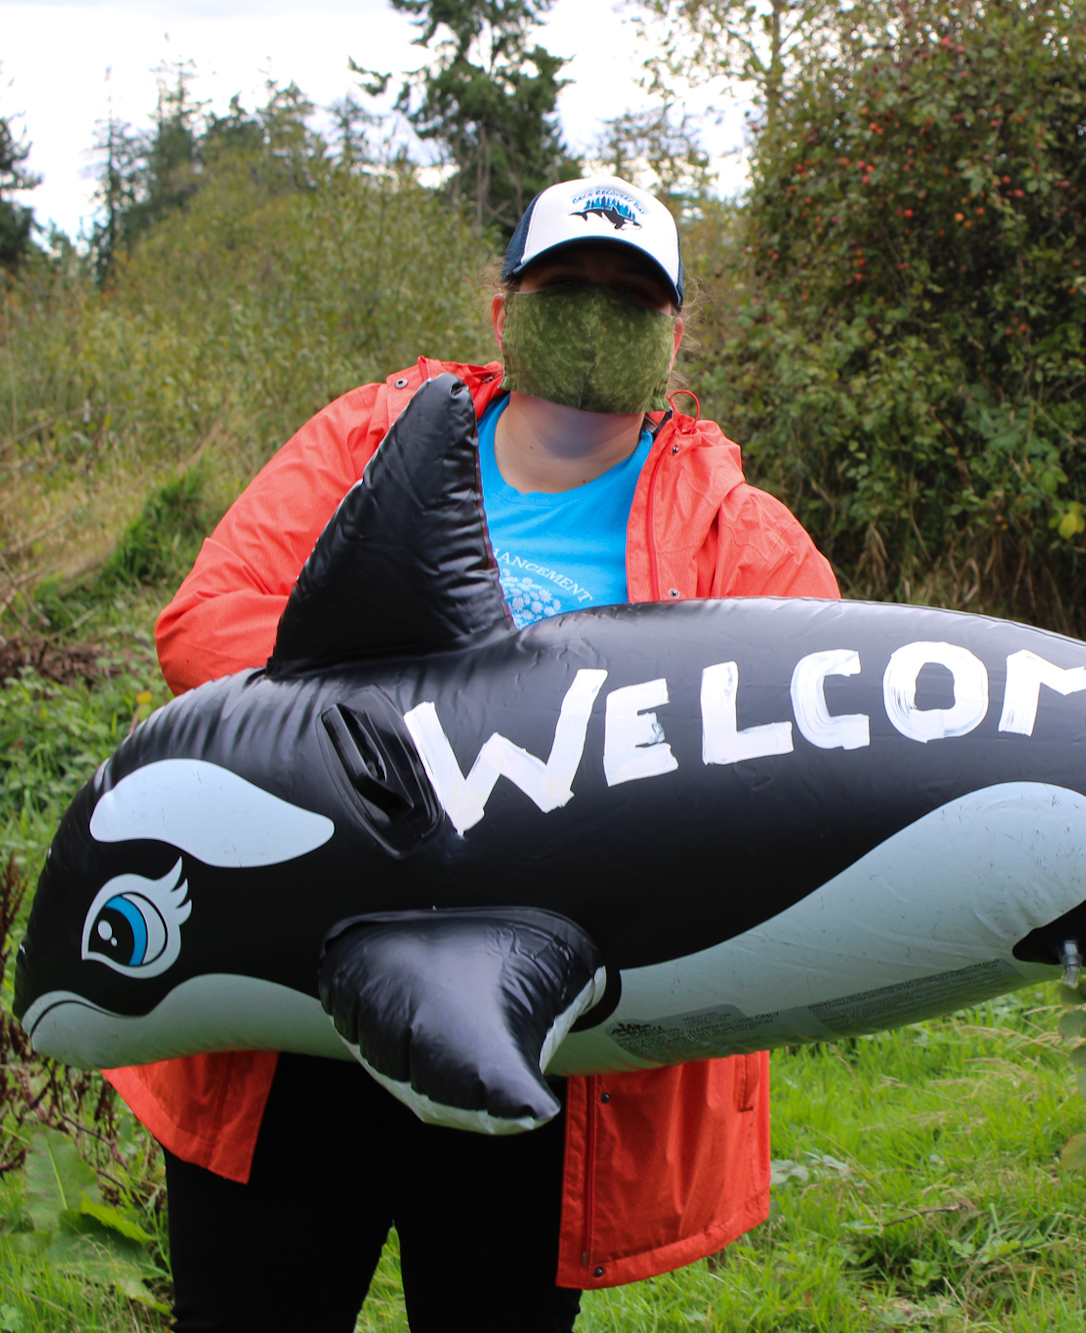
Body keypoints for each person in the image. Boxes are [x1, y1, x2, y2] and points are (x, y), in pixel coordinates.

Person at [106, 175, 838, 1332]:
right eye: (563, 287)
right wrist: (445, 697)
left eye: (628, 297)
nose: (594, 315)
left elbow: (810, 746)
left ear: (674, 334)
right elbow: (204, 622)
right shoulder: (378, 437)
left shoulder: (732, 529)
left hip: (537, 1042)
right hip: (292, 1008)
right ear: (503, 311)